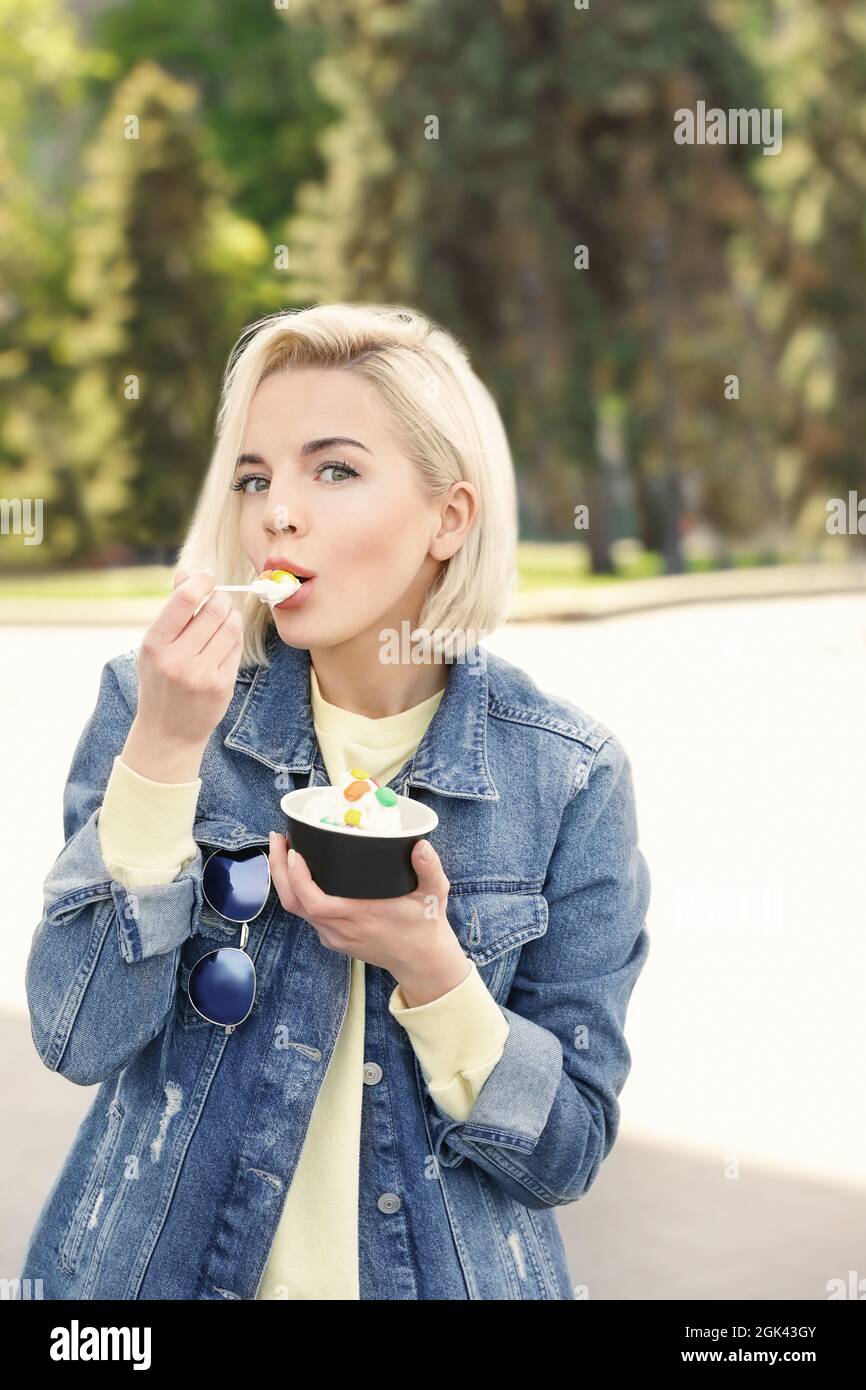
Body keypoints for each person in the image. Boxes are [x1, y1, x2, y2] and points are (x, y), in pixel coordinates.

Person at [19, 302, 650, 1300]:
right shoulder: (156, 710)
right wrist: (164, 755)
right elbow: (77, 1032)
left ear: (449, 518)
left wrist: (429, 962)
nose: (277, 510)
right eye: (255, 477)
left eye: (335, 469)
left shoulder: (566, 777)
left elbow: (562, 1152)